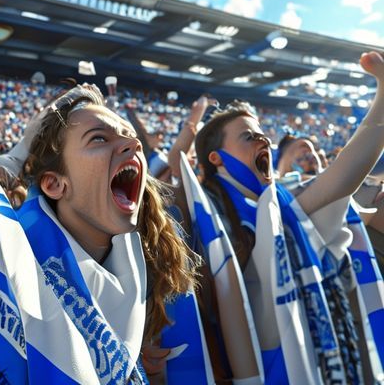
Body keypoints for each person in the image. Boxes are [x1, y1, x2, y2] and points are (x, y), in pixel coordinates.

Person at [193, 51, 384, 384]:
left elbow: (342, 181)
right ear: (217, 159)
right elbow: (344, 175)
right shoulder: (196, 224)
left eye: (262, 133)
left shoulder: (282, 205)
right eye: (249, 136)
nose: (264, 139)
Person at [19, 84, 200, 383]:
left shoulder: (153, 268)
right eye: (99, 138)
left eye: (130, 137)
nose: (134, 145)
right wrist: (18, 152)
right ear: (54, 184)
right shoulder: (17, 264)